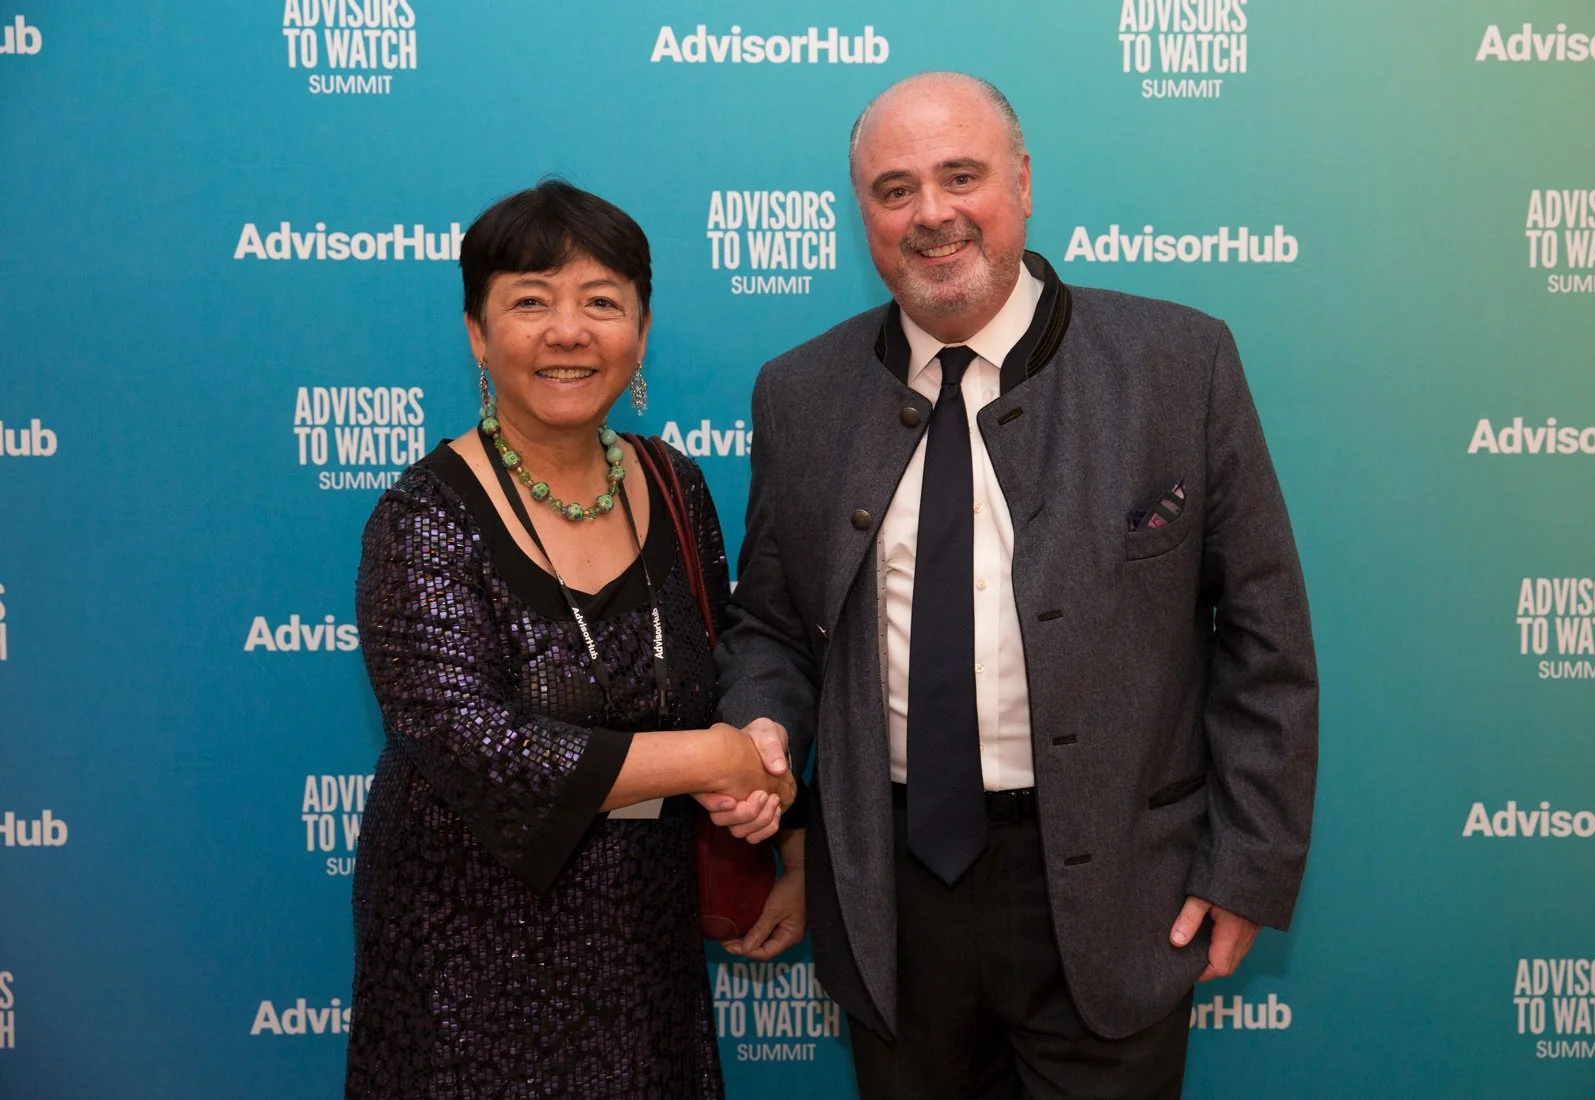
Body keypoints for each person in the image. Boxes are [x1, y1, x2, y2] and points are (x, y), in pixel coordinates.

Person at [717, 73, 1319, 1098]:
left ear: (1024, 183)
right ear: (862, 212)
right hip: (891, 898)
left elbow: (1266, 639)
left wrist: (1247, 864)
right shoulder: (800, 392)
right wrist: (762, 725)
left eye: (962, 177)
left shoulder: (1180, 363)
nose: (932, 213)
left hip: (1119, 891)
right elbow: (771, 626)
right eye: (895, 189)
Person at [346, 179, 798, 1099]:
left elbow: (725, 669)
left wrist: (773, 812)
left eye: (601, 302)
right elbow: (469, 743)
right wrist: (708, 758)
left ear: (641, 329)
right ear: (478, 334)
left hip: (645, 945)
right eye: (530, 302)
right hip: (467, 958)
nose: (567, 332)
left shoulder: (675, 484)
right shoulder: (423, 514)